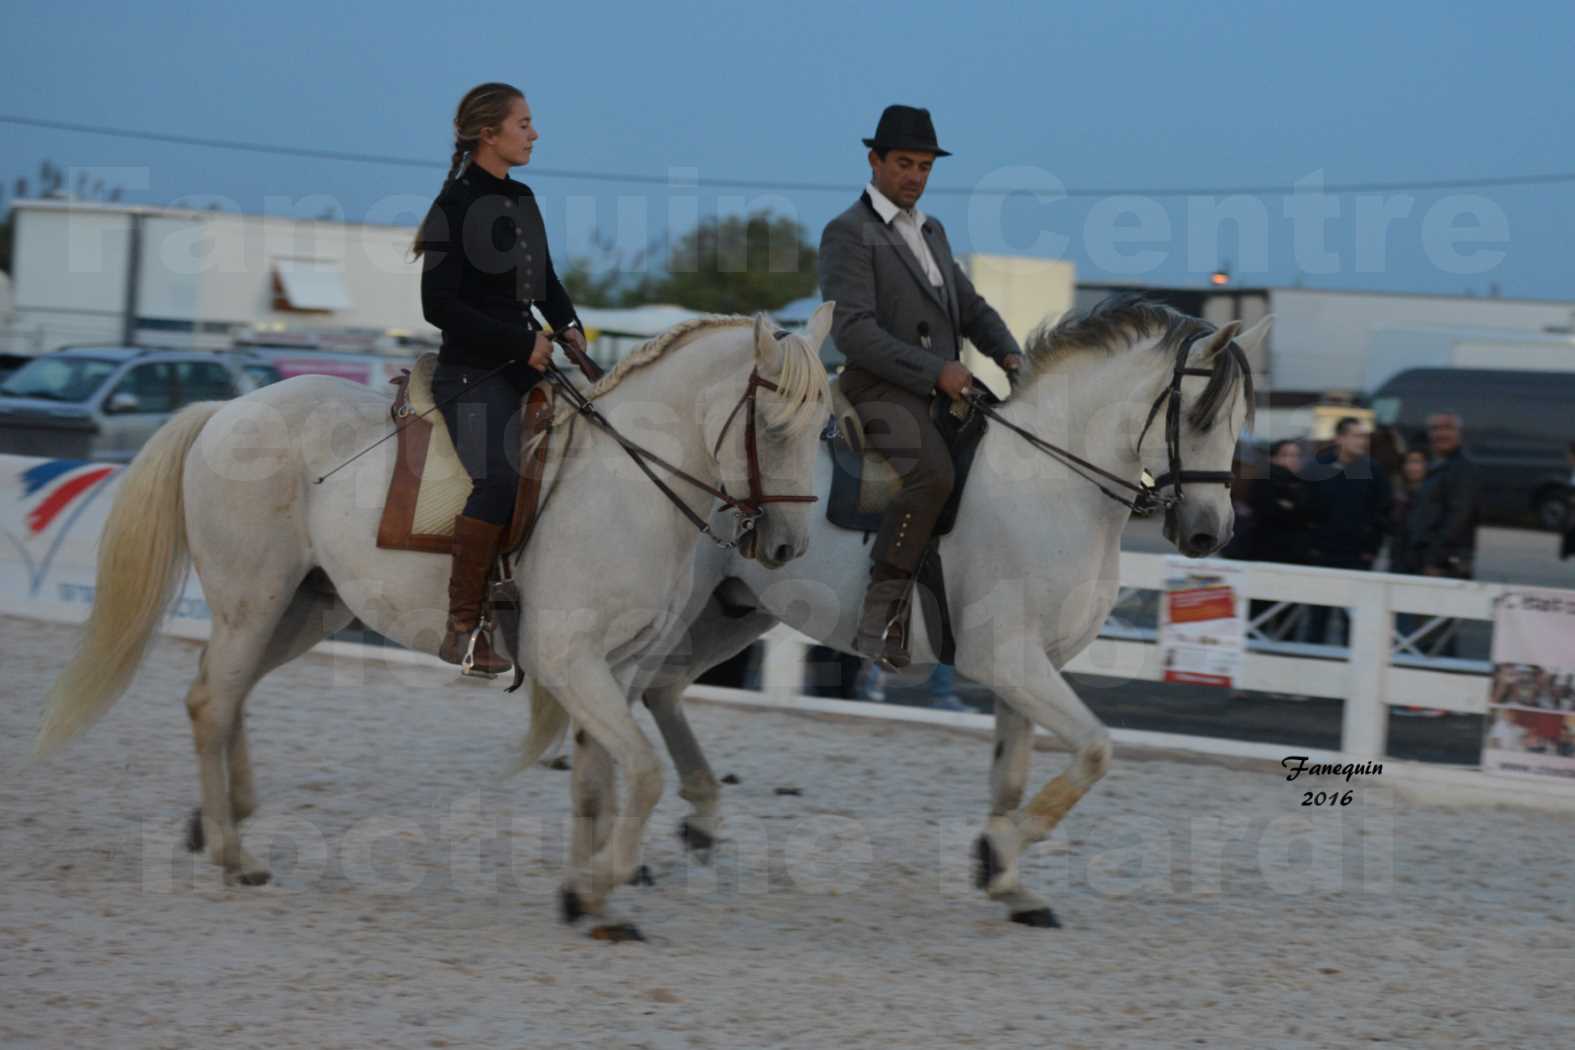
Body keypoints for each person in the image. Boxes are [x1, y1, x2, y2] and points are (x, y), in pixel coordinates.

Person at [818, 105, 1024, 667]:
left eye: (924, 167)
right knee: (932, 474)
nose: (914, 176)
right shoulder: (848, 232)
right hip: (877, 389)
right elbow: (854, 331)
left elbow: (971, 308)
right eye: (904, 163)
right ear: (875, 161)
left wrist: (1011, 357)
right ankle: (879, 615)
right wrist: (937, 370)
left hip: (941, 391)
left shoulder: (931, 231)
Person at [412, 82, 587, 675]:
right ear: (489, 133)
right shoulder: (453, 207)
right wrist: (521, 341)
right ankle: (463, 625)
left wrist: (569, 324)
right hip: (470, 374)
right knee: (500, 479)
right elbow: (439, 306)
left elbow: (544, 280)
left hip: (526, 365)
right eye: (524, 124)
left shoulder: (524, 198)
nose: (534, 134)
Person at [1302, 417, 1391, 646]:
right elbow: (1305, 510)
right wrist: (1310, 548)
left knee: (1353, 620)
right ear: (1339, 438)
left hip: (1357, 558)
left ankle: (1350, 672)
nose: (1362, 441)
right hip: (1321, 556)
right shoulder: (1317, 468)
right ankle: (1313, 662)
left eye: (1365, 436)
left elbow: (1384, 513)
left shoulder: (1374, 470)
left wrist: (1371, 549)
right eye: (1356, 435)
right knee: (1317, 617)